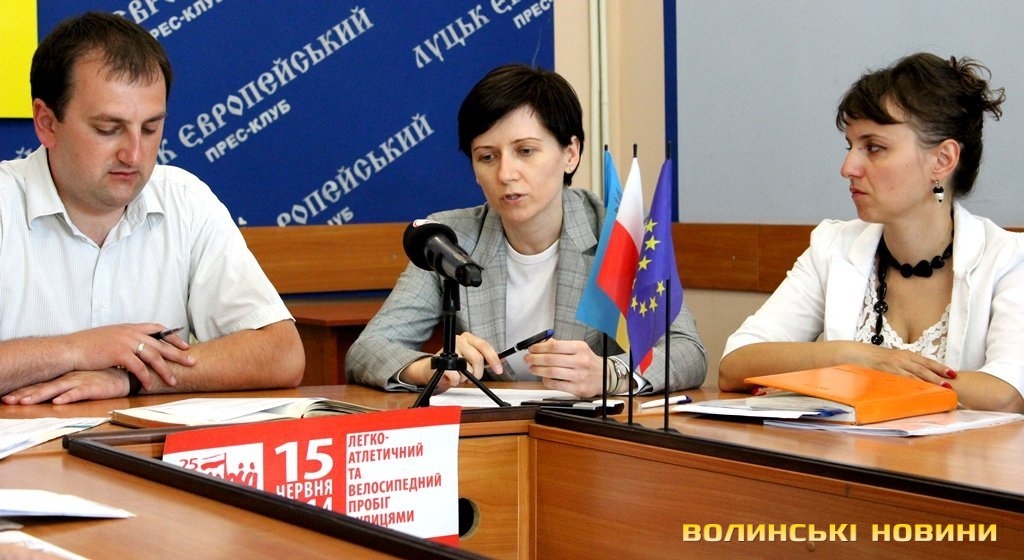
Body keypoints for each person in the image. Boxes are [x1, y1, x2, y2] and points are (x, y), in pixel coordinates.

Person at [347, 63, 706, 397]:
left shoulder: (618, 231)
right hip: (494, 430)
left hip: (589, 431)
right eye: (487, 157)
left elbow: (687, 351)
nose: (505, 174)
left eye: (525, 151)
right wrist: (431, 368)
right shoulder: (448, 239)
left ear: (570, 153)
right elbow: (368, 349)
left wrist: (610, 373)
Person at [0, 12, 304, 405]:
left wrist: (131, 377)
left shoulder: (186, 201)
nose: (134, 154)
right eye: (108, 129)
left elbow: (282, 354)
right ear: (46, 123)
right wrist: (76, 350)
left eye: (150, 128)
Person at [719, 52, 1024, 413]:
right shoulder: (832, 247)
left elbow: (1006, 393)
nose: (848, 167)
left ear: (942, 160)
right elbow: (735, 364)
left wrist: (866, 376)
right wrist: (848, 357)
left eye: (874, 148)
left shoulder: (1009, 259)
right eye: (850, 146)